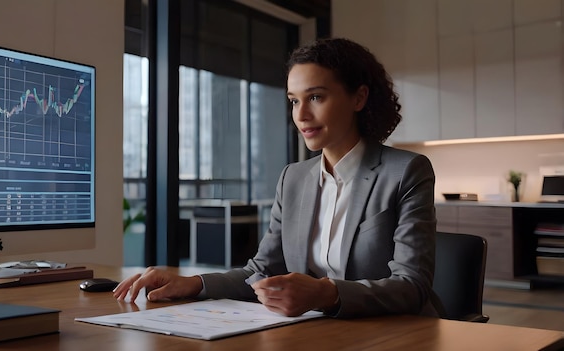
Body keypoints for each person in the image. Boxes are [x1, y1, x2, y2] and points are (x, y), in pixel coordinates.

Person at [113, 38, 444, 319]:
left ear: (359, 97)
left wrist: (325, 294)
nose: (300, 115)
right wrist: (194, 283)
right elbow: (260, 271)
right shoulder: (294, 178)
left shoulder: (406, 171)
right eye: (294, 101)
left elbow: (411, 285)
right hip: (316, 333)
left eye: (316, 97)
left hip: (396, 334)